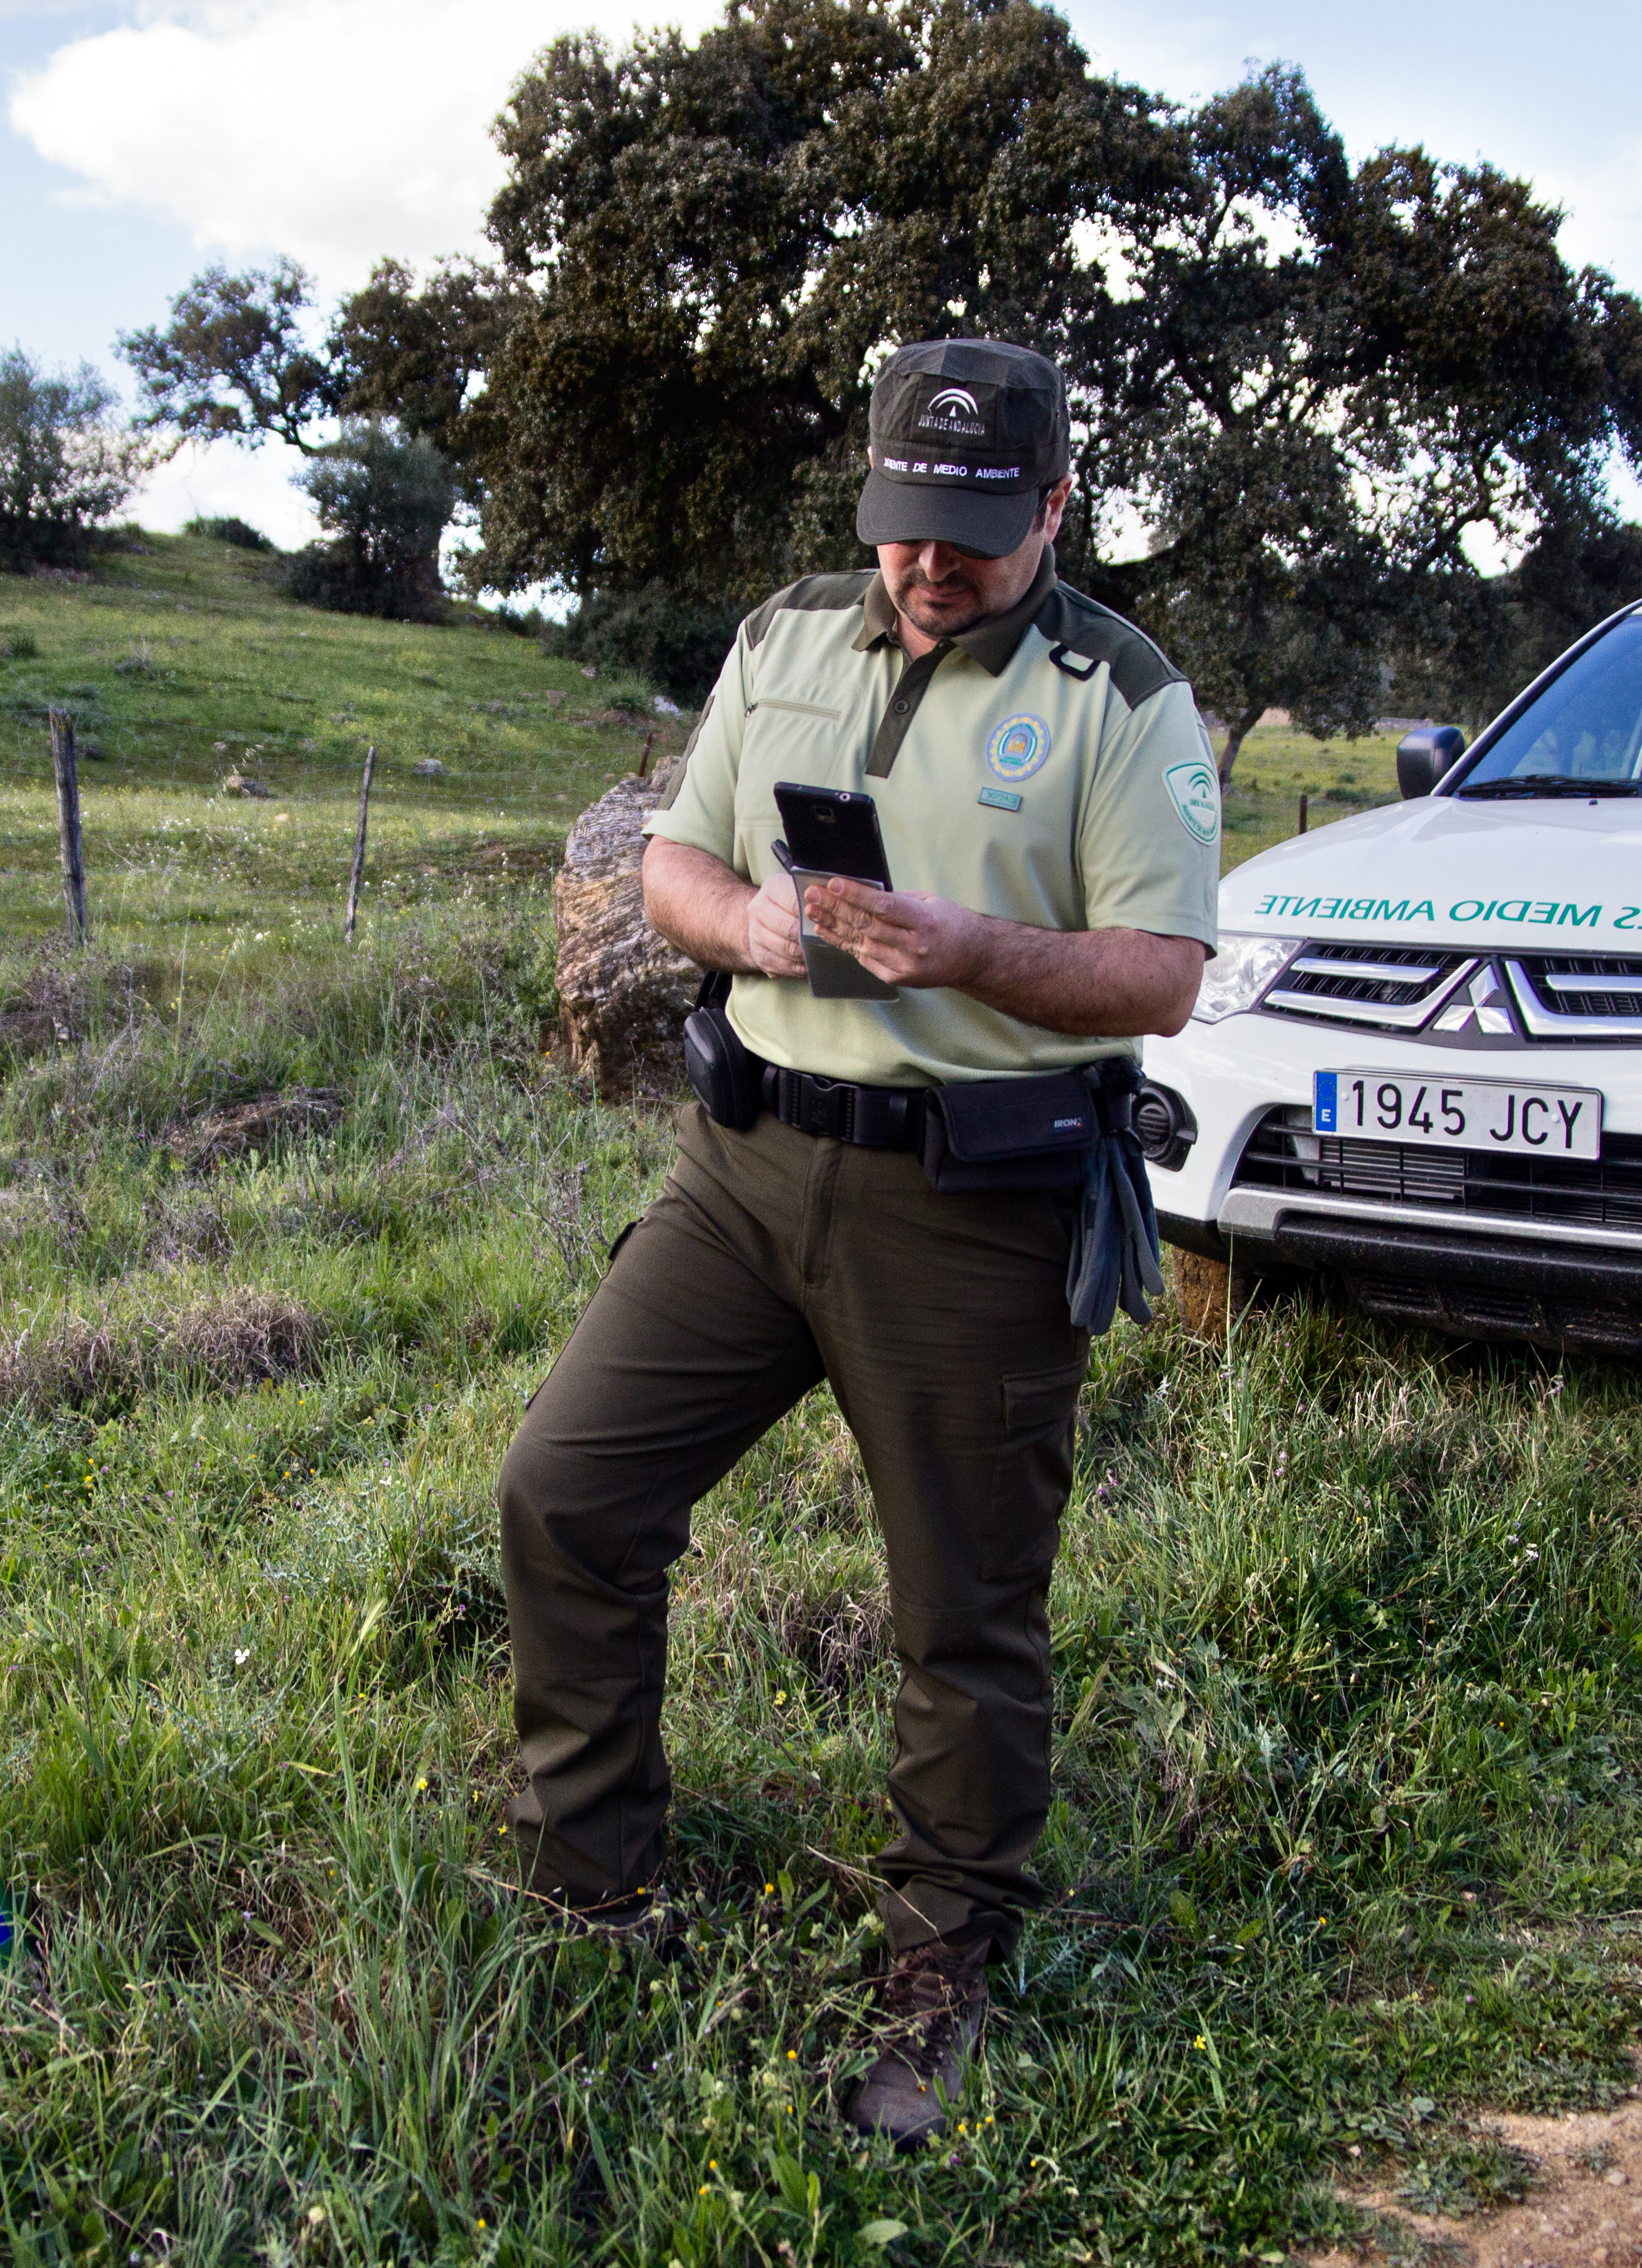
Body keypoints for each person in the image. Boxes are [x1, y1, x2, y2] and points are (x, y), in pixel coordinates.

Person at [494, 337, 1223, 2141]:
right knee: (566, 1488)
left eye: (975, 531)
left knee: (959, 1612)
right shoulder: (785, 637)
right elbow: (674, 855)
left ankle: (942, 1956)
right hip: (742, 1169)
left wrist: (970, 951)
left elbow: (1163, 973)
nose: (929, 566)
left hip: (973, 1201)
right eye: (906, 525)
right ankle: (588, 1881)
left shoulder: (1122, 697)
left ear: (1054, 505)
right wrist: (735, 918)